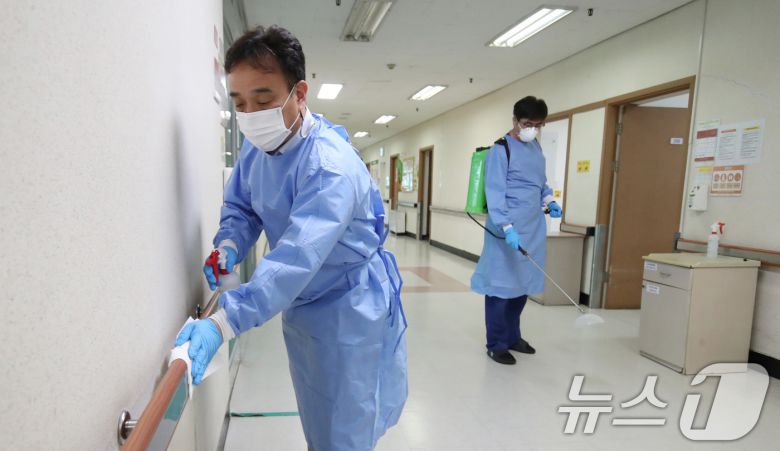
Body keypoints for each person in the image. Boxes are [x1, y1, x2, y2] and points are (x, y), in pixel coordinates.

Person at [175, 25, 407, 450]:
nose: (250, 115)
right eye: (239, 103)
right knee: (317, 411)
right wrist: (230, 244)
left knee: (346, 426)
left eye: (263, 100)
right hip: (303, 305)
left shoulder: (329, 168)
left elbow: (297, 255)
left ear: (299, 93)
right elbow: (243, 206)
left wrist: (224, 321)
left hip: (347, 307)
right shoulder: (259, 148)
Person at [470, 96, 562, 365]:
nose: (532, 129)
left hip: (532, 227)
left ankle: (512, 337)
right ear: (515, 120)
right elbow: (495, 193)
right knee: (501, 288)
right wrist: (507, 227)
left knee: (522, 286)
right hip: (506, 230)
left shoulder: (535, 147)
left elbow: (540, 183)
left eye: (538, 125)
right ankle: (496, 344)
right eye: (527, 123)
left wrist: (550, 200)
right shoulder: (501, 150)